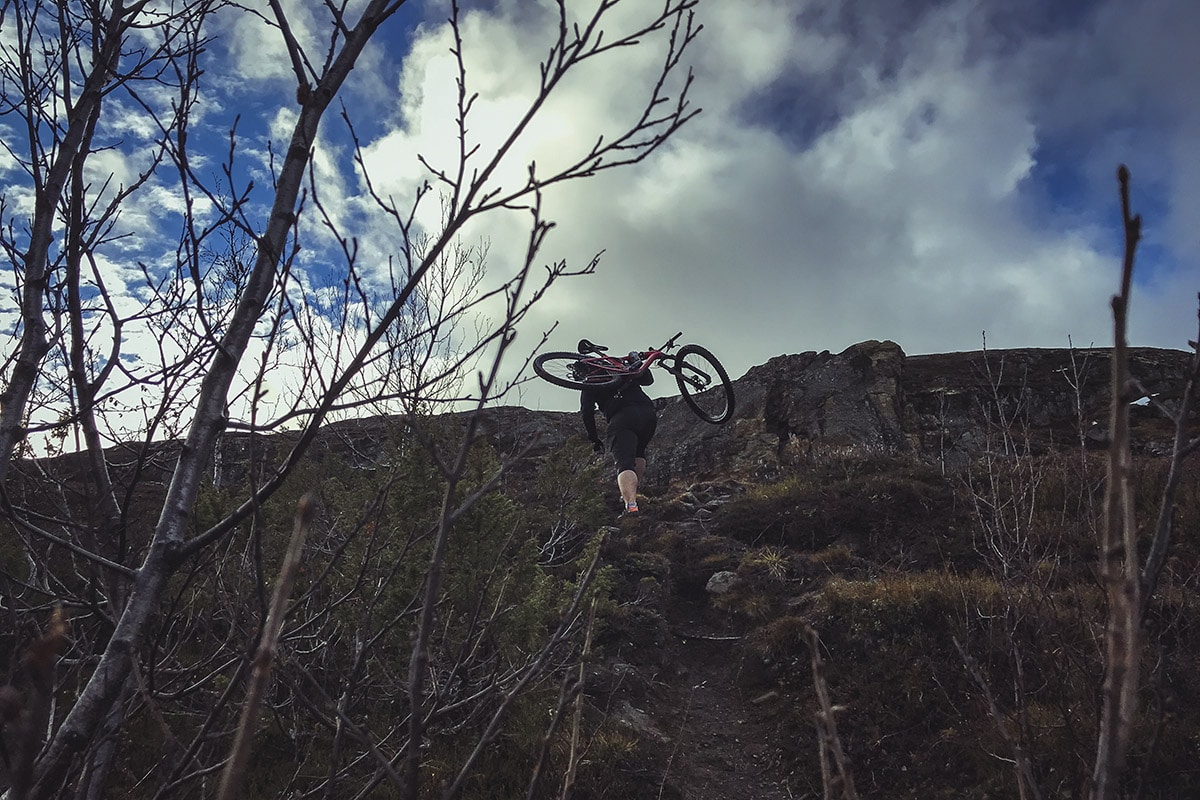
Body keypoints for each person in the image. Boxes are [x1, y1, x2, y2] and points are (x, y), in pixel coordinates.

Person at [581, 348, 658, 516]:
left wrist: (594, 438)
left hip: (622, 418)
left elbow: (587, 412)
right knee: (639, 454)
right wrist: (634, 361)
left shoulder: (590, 382)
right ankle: (633, 496)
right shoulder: (619, 369)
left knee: (624, 464)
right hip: (648, 414)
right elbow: (647, 379)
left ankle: (631, 506)